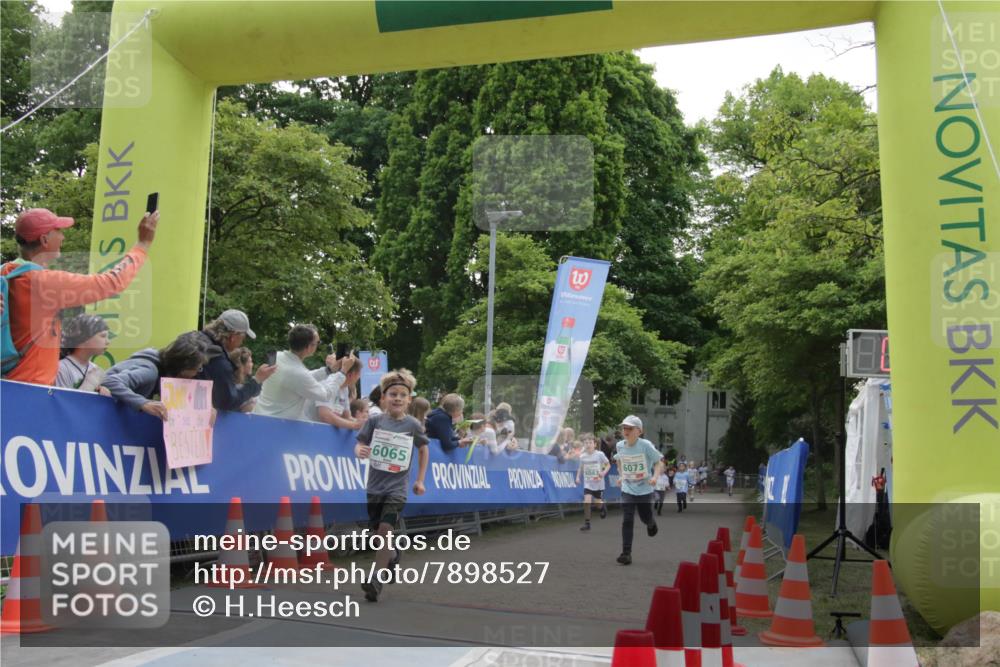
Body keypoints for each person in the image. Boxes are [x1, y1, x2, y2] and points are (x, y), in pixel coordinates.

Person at [2, 207, 157, 385]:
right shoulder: (43, 282)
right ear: (44, 240)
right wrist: (142, 245)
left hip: (7, 383)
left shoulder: (5, 272)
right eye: (58, 231)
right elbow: (112, 282)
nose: (63, 237)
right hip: (31, 387)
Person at [354, 368, 429, 602]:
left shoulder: (413, 425)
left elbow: (424, 449)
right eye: (393, 394)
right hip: (374, 487)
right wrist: (360, 450)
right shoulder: (374, 421)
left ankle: (375, 579)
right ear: (383, 398)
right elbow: (360, 442)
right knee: (378, 535)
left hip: (397, 489)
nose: (397, 398)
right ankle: (393, 556)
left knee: (386, 530)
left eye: (402, 395)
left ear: (409, 400)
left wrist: (420, 480)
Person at [101, 334, 208, 420]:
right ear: (182, 368)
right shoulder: (149, 372)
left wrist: (205, 409)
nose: (196, 373)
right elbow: (109, 381)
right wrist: (143, 403)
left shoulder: (164, 372)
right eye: (197, 368)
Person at [253, 324, 343, 421]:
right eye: (317, 342)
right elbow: (325, 395)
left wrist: (328, 370)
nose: (318, 345)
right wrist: (342, 373)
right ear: (309, 347)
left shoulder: (276, 357)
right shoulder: (299, 373)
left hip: (258, 417)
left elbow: (301, 379)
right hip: (276, 425)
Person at [192, 310, 276, 411]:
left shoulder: (193, 338)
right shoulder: (219, 361)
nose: (242, 343)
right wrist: (257, 380)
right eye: (243, 338)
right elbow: (229, 401)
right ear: (233, 337)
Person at [613, 415, 660, 565]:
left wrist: (655, 477)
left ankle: (651, 523)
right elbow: (619, 460)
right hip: (628, 487)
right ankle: (626, 553)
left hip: (645, 489)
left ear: (639, 431)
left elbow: (658, 462)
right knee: (627, 519)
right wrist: (621, 475)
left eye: (630, 428)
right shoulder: (620, 445)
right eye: (624, 428)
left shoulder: (645, 445)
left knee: (645, 516)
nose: (626, 431)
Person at [56, 314, 111, 395]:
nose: (108, 342)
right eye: (103, 336)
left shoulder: (96, 369)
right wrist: (90, 384)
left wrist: (103, 394)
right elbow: (62, 401)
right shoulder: (62, 368)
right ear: (84, 338)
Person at [309, 355, 363, 430]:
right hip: (310, 430)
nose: (359, 378)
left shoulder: (345, 388)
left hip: (323, 431)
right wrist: (354, 425)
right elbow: (325, 416)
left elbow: (346, 416)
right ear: (350, 375)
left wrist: (365, 424)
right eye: (358, 374)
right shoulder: (328, 382)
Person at [576, 432, 610, 531]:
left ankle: (602, 507)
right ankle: (587, 524)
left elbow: (608, 465)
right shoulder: (582, 456)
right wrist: (577, 477)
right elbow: (580, 468)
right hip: (588, 483)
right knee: (587, 501)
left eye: (590, 442)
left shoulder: (600, 454)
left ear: (595, 444)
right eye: (586, 443)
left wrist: (603, 473)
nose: (588, 445)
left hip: (598, 483)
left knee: (598, 504)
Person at [228, 347, 257, 412]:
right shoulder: (238, 388)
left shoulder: (235, 383)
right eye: (250, 362)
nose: (252, 364)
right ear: (242, 365)